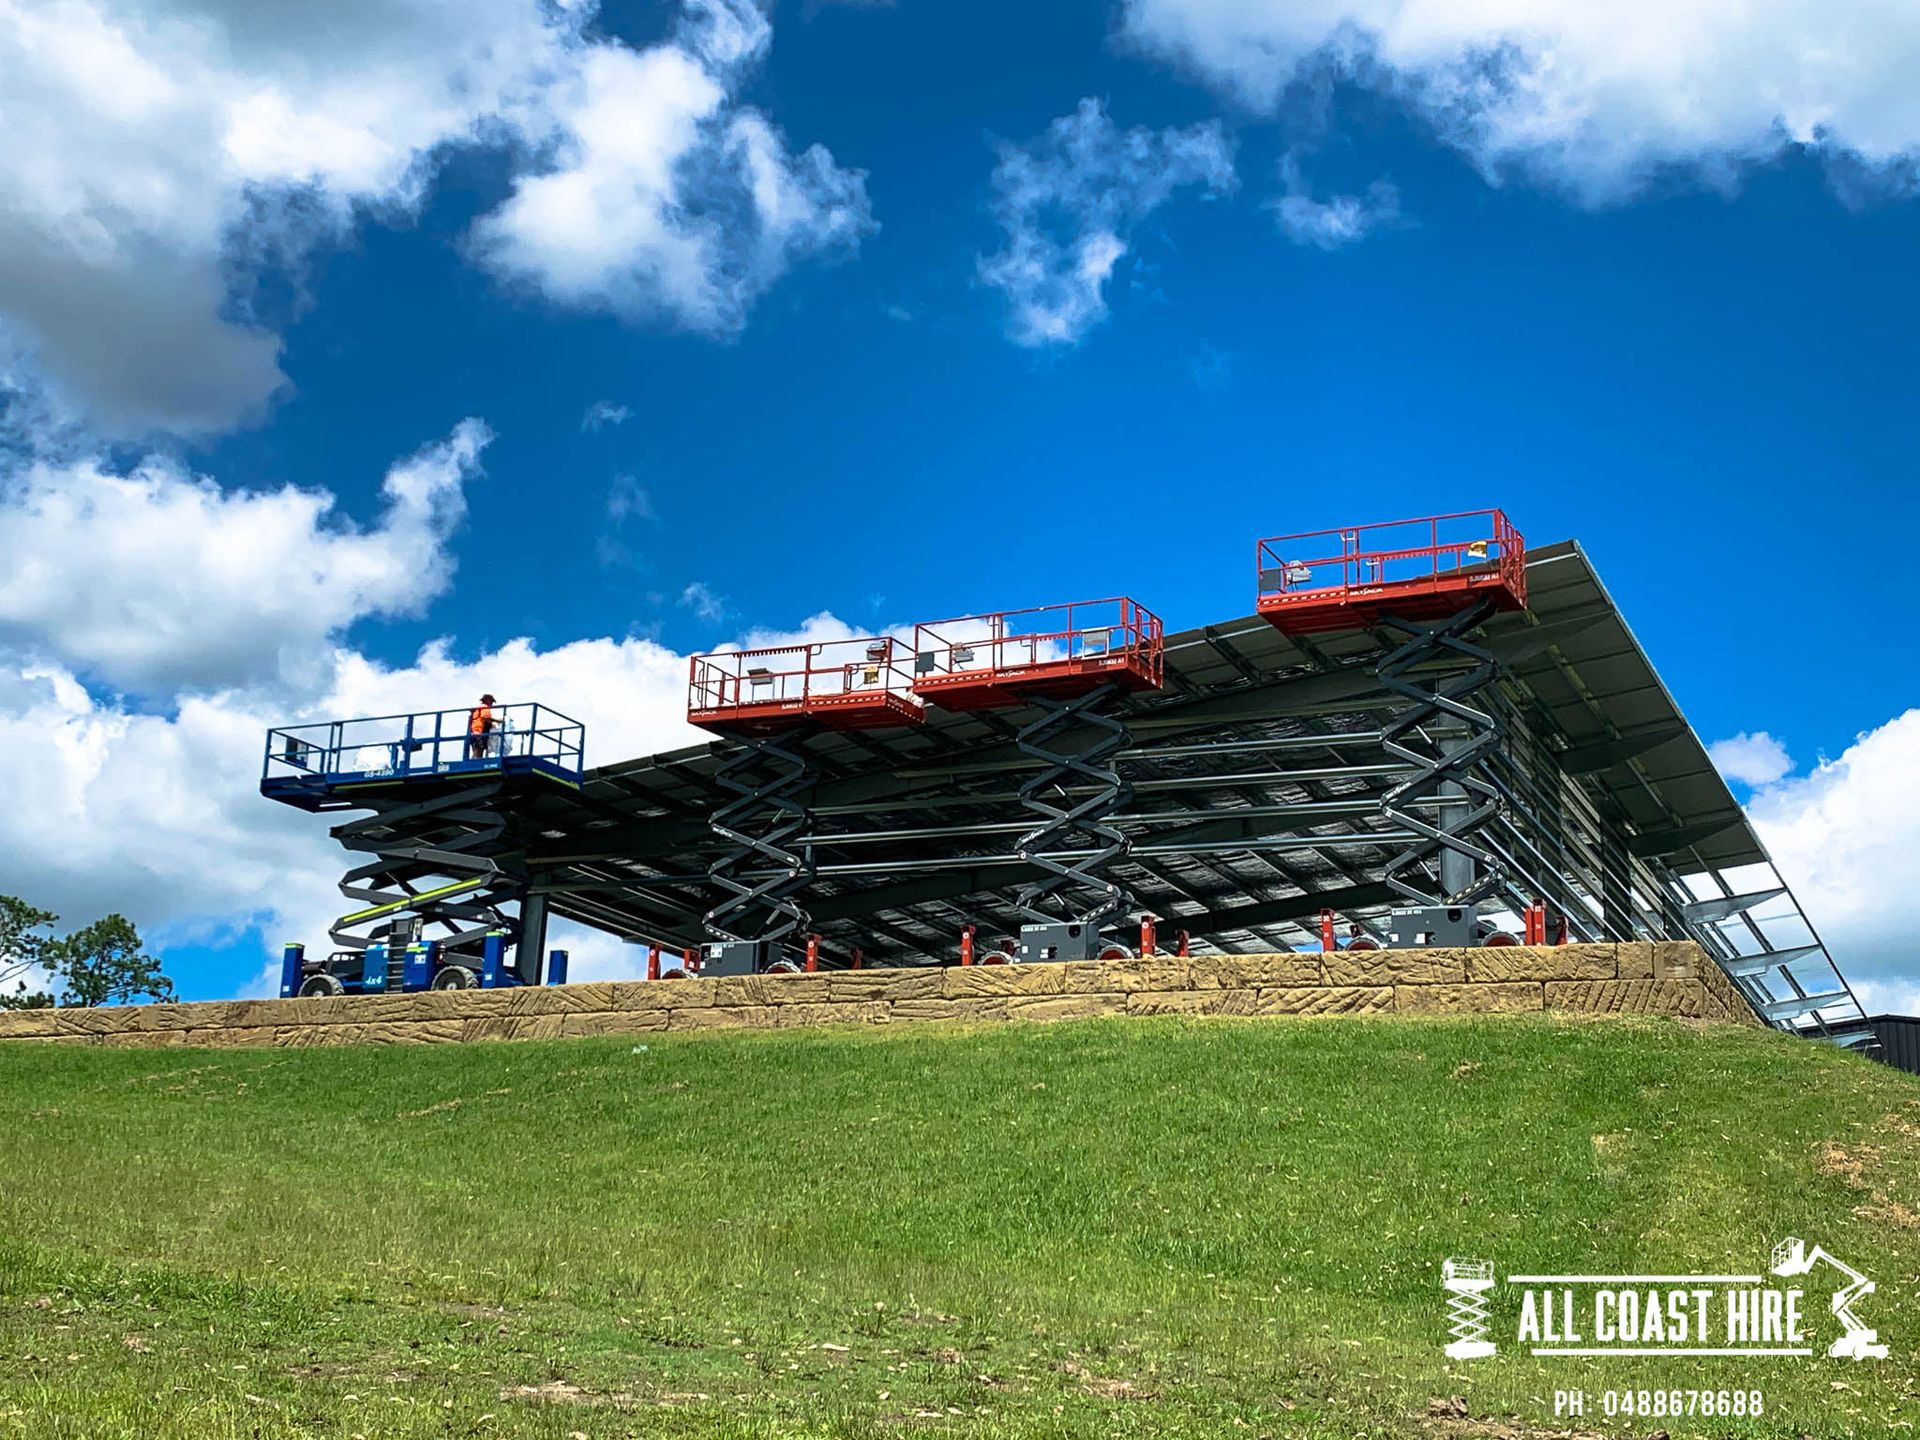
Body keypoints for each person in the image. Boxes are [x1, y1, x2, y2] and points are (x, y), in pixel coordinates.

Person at [467, 693, 496, 759]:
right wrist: (498, 721)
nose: (492, 704)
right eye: (491, 702)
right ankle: (474, 763)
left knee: (477, 750)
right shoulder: (485, 707)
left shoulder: (477, 708)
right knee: (478, 751)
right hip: (478, 733)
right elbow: (486, 718)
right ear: (487, 700)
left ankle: (473, 762)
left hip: (474, 732)